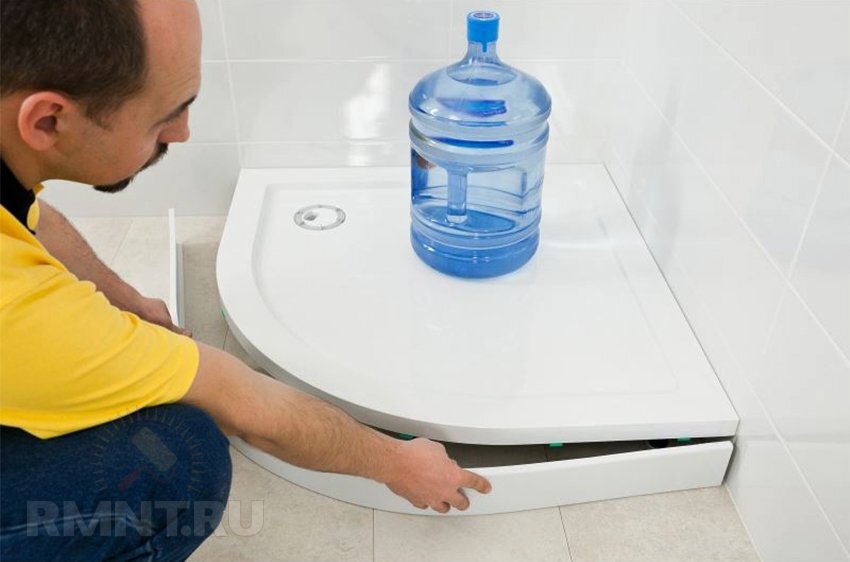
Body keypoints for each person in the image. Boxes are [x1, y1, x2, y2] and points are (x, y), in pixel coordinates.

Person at [0, 1, 491, 560]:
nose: (184, 132)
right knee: (179, 460)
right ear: (47, 121)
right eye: (164, 116)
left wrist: (128, 300)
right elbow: (245, 406)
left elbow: (35, 219)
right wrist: (400, 463)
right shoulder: (21, 311)